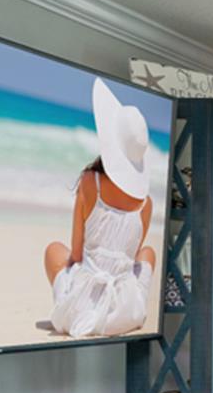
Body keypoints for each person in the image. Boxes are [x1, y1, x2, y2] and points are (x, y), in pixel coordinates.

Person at [45, 79, 158, 337]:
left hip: (81, 310)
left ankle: (84, 306)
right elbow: (131, 257)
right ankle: (122, 305)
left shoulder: (90, 183)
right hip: (124, 314)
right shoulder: (146, 204)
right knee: (149, 253)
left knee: (54, 250)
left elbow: (75, 253)